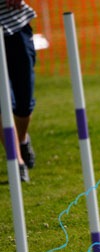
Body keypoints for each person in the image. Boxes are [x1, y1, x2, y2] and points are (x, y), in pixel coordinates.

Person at [1, 0, 36, 182]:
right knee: (2, 103)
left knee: (24, 103)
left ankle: (22, 139)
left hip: (16, 27)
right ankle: (17, 161)